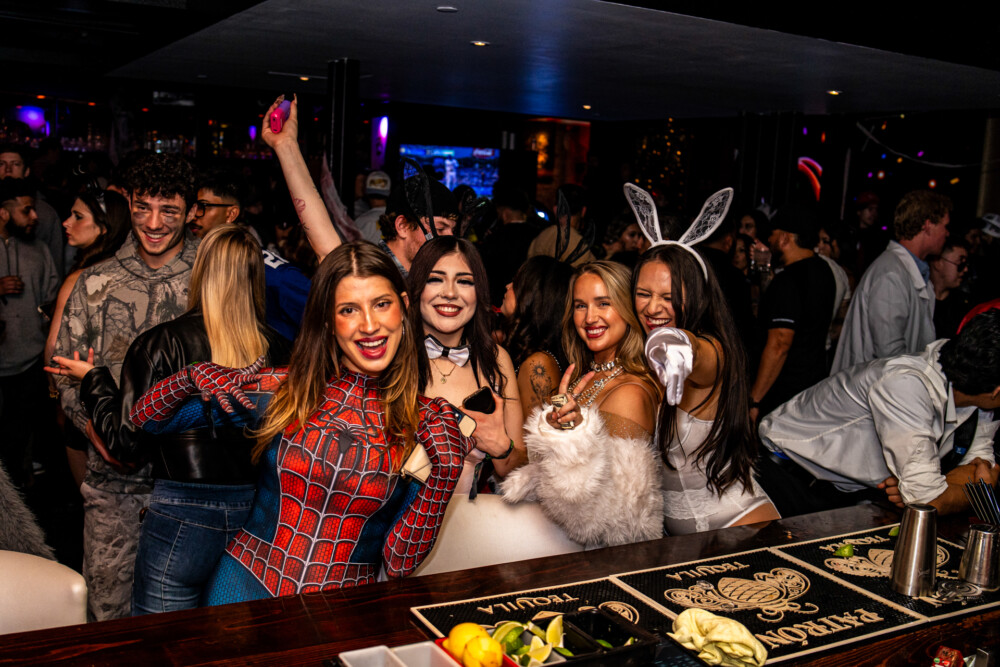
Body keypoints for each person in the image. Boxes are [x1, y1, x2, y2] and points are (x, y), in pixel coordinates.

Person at [132, 243, 506, 604]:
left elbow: (398, 563)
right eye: (348, 310)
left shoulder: (425, 423)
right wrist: (189, 379)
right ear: (328, 321)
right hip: (242, 593)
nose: (370, 325)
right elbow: (145, 420)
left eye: (381, 304)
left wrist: (442, 477)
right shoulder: (284, 390)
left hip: (342, 612)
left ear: (403, 308)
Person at [47, 226, 290, 614]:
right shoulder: (279, 348)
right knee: (228, 641)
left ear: (200, 271)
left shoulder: (163, 343)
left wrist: (93, 380)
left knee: (163, 644)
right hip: (255, 511)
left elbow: (125, 443)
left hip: (183, 512)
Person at [51, 152, 198, 621]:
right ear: (128, 205)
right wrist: (97, 430)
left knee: (182, 625)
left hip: (191, 488)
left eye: (169, 211)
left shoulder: (212, 280)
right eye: (142, 208)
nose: (154, 224)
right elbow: (63, 372)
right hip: (113, 491)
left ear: (192, 211)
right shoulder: (95, 282)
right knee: (108, 618)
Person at [757, 310, 1000, 518]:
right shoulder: (907, 384)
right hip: (783, 478)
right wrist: (975, 492)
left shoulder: (977, 393)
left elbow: (980, 465)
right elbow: (928, 501)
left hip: (841, 492)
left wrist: (925, 487)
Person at [502, 261, 662, 547]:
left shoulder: (630, 391)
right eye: (580, 305)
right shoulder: (582, 378)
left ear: (627, 309)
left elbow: (622, 518)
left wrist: (569, 440)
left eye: (603, 303)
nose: (590, 317)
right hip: (561, 541)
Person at [635, 244, 779, 534]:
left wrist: (678, 345)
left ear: (697, 298)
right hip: (686, 547)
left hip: (743, 528)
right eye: (643, 294)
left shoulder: (713, 350)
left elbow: (696, 352)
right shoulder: (639, 359)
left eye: (670, 297)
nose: (652, 308)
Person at [408, 236, 525, 494]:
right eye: (435, 279)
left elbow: (517, 470)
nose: (450, 293)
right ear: (417, 288)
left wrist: (501, 447)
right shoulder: (392, 357)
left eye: (464, 281)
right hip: (396, 529)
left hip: (470, 524)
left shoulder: (496, 361)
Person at [43, 188, 131, 489]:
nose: (66, 223)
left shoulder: (83, 279)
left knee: (92, 498)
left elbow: (55, 352)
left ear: (104, 228)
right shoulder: (131, 274)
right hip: (123, 404)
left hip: (86, 404)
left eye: (78, 216)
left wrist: (58, 398)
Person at [832, 190, 951, 374]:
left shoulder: (910, 272)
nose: (947, 233)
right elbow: (890, 353)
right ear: (928, 225)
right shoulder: (890, 275)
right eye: (945, 226)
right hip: (872, 393)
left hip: (887, 391)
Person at [0, 178, 59, 488]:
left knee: (21, 433)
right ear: (3, 214)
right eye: (27, 211)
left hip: (30, 361)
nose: (35, 217)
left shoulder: (38, 250)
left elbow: (52, 296)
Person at [749, 205, 835, 418]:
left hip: (783, 398)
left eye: (773, 234)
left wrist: (754, 400)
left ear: (785, 238)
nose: (769, 240)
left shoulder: (789, 280)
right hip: (812, 391)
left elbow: (780, 343)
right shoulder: (825, 272)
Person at [501, 256, 573, 420]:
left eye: (516, 283)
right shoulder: (529, 354)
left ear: (533, 297)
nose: (508, 286)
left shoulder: (538, 364)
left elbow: (537, 441)